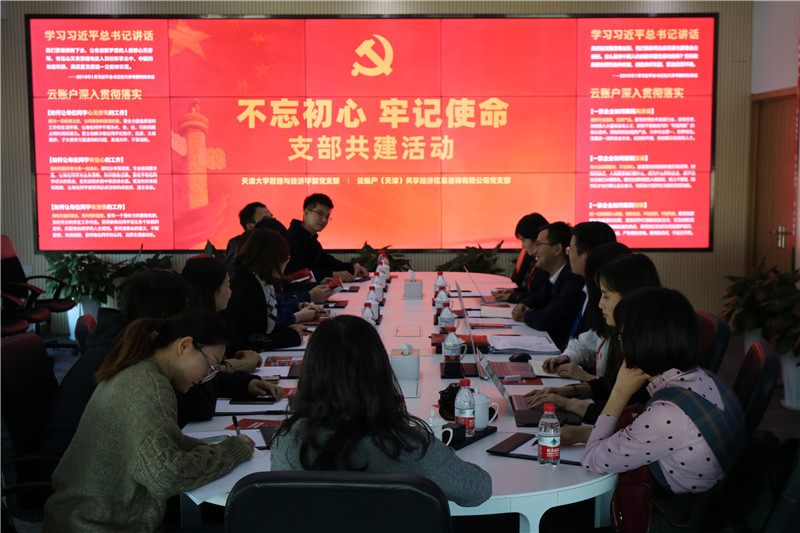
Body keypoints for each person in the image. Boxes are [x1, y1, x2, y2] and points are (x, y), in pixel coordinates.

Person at [43, 307, 255, 532]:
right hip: (98, 526)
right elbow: (166, 477)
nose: (206, 377)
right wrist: (231, 452)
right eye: (210, 365)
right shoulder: (151, 387)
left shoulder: (140, 369)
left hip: (84, 518)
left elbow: (159, 443)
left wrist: (211, 449)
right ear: (184, 346)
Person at [270, 315, 492, 507]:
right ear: (380, 373)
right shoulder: (411, 446)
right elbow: (479, 489)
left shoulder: (287, 442)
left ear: (310, 374)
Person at [578, 287, 747, 496]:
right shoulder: (703, 376)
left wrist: (619, 392)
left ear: (641, 341)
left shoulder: (667, 415)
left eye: (621, 337)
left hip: (685, 511)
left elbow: (593, 459)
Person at [526, 253, 661, 426]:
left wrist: (569, 404)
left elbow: (627, 415)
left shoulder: (648, 349)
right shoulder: (630, 334)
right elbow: (612, 384)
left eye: (606, 296)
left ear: (630, 297)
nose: (599, 304)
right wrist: (570, 391)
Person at [541, 242, 631, 379]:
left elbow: (617, 388)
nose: (600, 304)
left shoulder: (636, 340)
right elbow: (587, 344)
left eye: (606, 296)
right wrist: (566, 357)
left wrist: (585, 378)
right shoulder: (609, 322)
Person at [226, 227, 325, 352]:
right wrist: (291, 337)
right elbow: (247, 340)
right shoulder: (245, 288)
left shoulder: (259, 281)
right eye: (285, 259)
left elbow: (262, 326)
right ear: (272, 260)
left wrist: (287, 329)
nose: (286, 264)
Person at [510, 222, 586, 350]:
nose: (535, 250)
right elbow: (540, 297)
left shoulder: (573, 280)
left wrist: (525, 314)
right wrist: (524, 304)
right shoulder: (557, 276)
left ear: (557, 249)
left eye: (539, 244)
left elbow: (545, 320)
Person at [182, 254, 261, 373]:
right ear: (213, 290)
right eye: (228, 285)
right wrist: (246, 364)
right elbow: (207, 373)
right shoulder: (197, 329)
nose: (230, 291)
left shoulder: (192, 320)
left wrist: (230, 360)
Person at [286, 193, 369, 282]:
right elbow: (297, 275)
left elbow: (329, 263)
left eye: (327, 216)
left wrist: (353, 267)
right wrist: (332, 275)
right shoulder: (290, 239)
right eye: (320, 214)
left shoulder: (313, 242)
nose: (324, 220)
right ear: (306, 212)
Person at [492, 212, 550, 303]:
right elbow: (534, 290)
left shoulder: (548, 265)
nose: (523, 246)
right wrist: (514, 291)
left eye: (524, 241)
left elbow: (541, 297)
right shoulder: (539, 261)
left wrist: (512, 297)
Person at [225, 202, 274, 271]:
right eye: (265, 220)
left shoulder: (277, 242)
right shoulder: (236, 244)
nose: (272, 223)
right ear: (250, 227)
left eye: (272, 218)